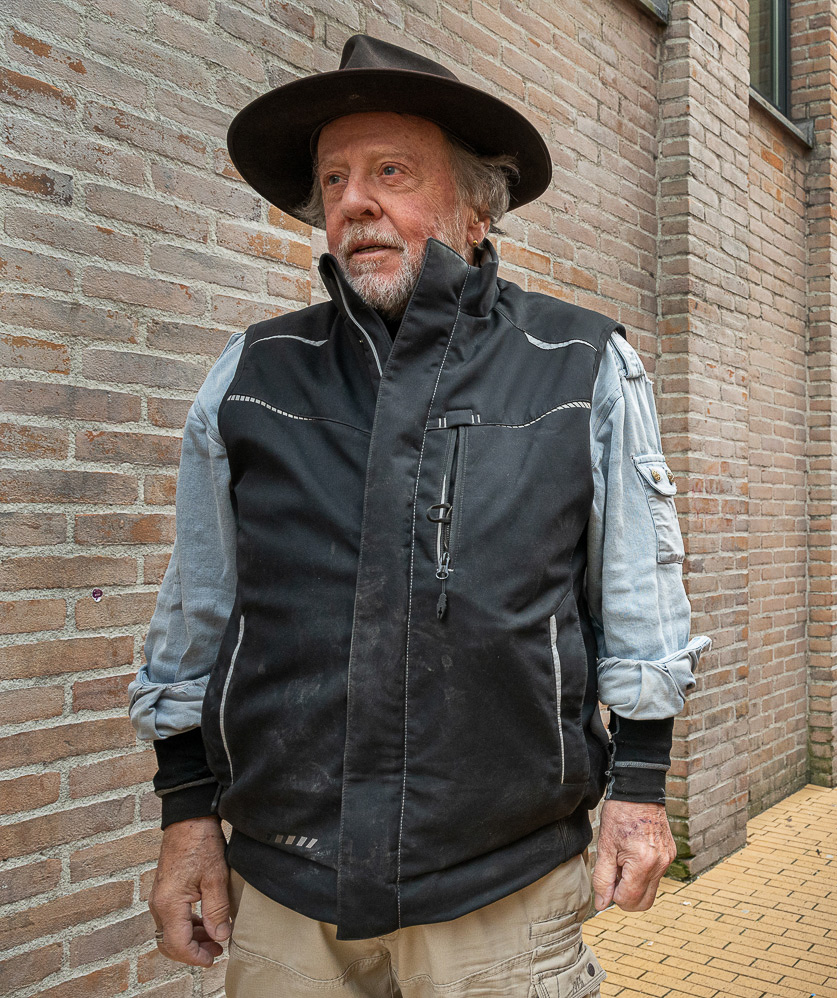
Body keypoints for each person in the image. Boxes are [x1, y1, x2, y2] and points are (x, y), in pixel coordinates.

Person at [126, 34, 709, 998]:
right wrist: (186, 815)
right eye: (335, 180)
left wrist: (638, 793)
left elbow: (641, 603)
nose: (355, 201)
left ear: (477, 206)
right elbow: (194, 620)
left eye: (391, 171)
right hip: (284, 890)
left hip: (500, 893)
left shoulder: (581, 368)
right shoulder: (251, 378)